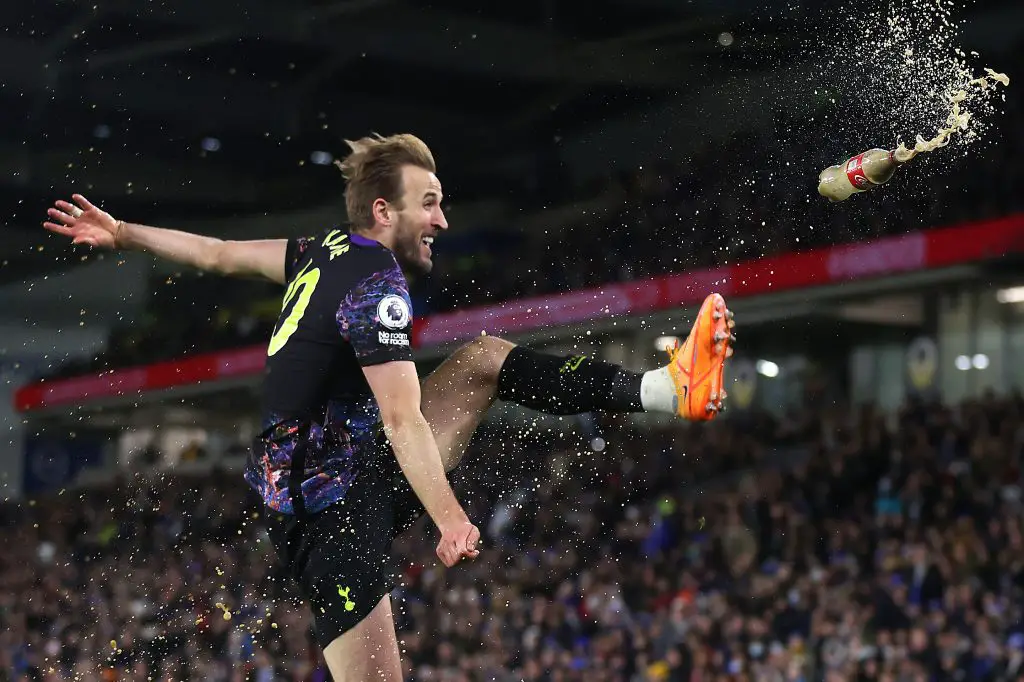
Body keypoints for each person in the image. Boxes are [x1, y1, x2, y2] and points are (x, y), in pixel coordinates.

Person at [43, 132, 735, 682]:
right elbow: (403, 419)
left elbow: (219, 253)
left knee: (484, 359)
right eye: (428, 202)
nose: (442, 218)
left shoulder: (323, 250)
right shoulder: (376, 286)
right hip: (330, 521)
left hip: (343, 481)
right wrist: (451, 518)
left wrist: (127, 233)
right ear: (385, 211)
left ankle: (664, 389)